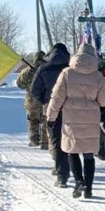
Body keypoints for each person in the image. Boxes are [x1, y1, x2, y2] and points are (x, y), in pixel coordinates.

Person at [46, 43, 105, 200]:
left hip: (71, 119)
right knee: (88, 154)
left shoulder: (67, 73)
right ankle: (89, 189)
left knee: (72, 151)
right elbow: (104, 100)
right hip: (91, 119)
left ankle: (79, 181)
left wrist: (51, 117)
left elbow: (57, 97)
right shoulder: (98, 76)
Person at [32, 43, 71, 186]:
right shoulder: (70, 69)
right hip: (70, 108)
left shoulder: (44, 68)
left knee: (55, 139)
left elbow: (34, 89)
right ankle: (73, 169)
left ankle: (61, 173)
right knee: (70, 138)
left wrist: (45, 100)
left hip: (51, 107)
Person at [16, 51, 47, 148]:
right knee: (45, 120)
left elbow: (19, 84)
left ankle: (34, 140)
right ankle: (45, 142)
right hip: (45, 100)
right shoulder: (48, 70)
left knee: (32, 120)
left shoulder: (27, 71)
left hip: (31, 101)